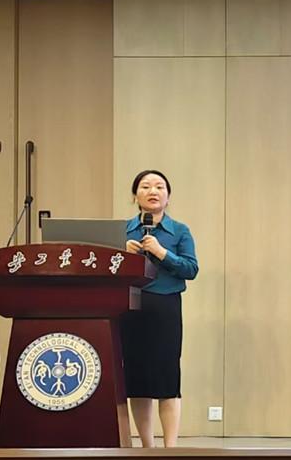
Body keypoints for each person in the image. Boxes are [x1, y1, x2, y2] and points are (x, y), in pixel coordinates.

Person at [121, 169, 198, 447]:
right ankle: (147, 446)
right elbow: (106, 270)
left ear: (168, 196)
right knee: (137, 380)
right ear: (135, 196)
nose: (153, 191)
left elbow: (191, 269)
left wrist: (162, 252)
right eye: (145, 186)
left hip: (166, 308)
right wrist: (122, 255)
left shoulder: (180, 231)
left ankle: (170, 448)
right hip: (130, 308)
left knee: (167, 378)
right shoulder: (123, 230)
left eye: (159, 187)